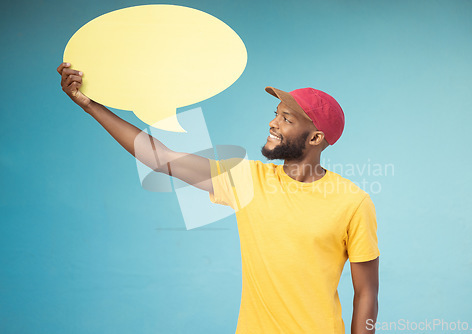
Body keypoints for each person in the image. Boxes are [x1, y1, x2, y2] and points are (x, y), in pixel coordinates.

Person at [57, 62, 379, 334]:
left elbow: (366, 292)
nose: (273, 123)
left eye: (287, 119)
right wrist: (90, 105)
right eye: (276, 114)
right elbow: (161, 158)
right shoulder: (248, 180)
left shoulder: (352, 201)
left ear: (315, 138)